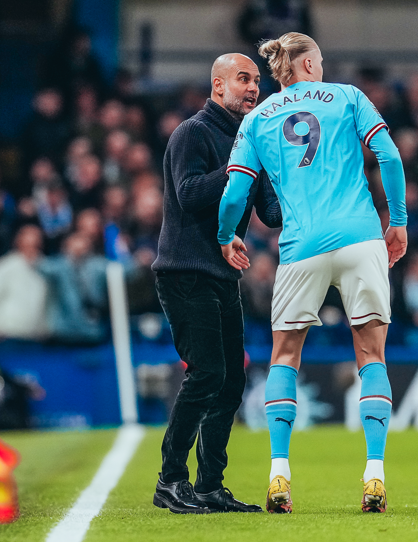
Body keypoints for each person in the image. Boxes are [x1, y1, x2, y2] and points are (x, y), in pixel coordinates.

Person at [218, 32, 407, 514]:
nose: (321, 67)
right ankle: (374, 475)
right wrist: (399, 221)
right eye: (319, 61)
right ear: (306, 65)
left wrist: (226, 235)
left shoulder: (257, 119)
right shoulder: (348, 97)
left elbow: (237, 193)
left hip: (301, 247)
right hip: (361, 237)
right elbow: (388, 155)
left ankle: (279, 474)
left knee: (285, 356)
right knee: (371, 355)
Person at [151, 53, 281, 515]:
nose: (252, 88)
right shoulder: (193, 133)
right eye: (243, 79)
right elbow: (188, 195)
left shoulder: (252, 141)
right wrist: (238, 166)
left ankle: (209, 486)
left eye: (256, 81)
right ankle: (170, 481)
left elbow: (270, 214)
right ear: (218, 84)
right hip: (185, 271)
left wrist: (295, 181)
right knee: (207, 373)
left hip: (223, 274)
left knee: (230, 383)